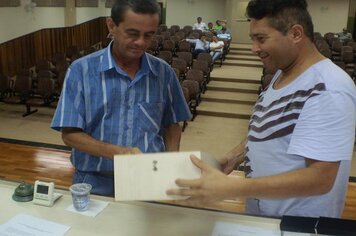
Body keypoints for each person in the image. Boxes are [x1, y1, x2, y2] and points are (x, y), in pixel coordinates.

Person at [167, 0, 356, 218]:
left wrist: (233, 188)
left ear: (295, 34)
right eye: (253, 39)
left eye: (261, 39)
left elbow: (321, 178)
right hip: (266, 217)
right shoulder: (283, 72)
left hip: (298, 224)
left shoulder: (328, 88)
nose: (254, 48)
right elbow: (270, 128)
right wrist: (233, 158)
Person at [51, 0, 191, 197]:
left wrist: (171, 161)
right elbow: (69, 134)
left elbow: (172, 124)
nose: (141, 42)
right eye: (132, 33)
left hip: (147, 176)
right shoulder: (80, 70)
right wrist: (119, 153)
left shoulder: (164, 73)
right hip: (94, 179)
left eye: (148, 35)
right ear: (111, 26)